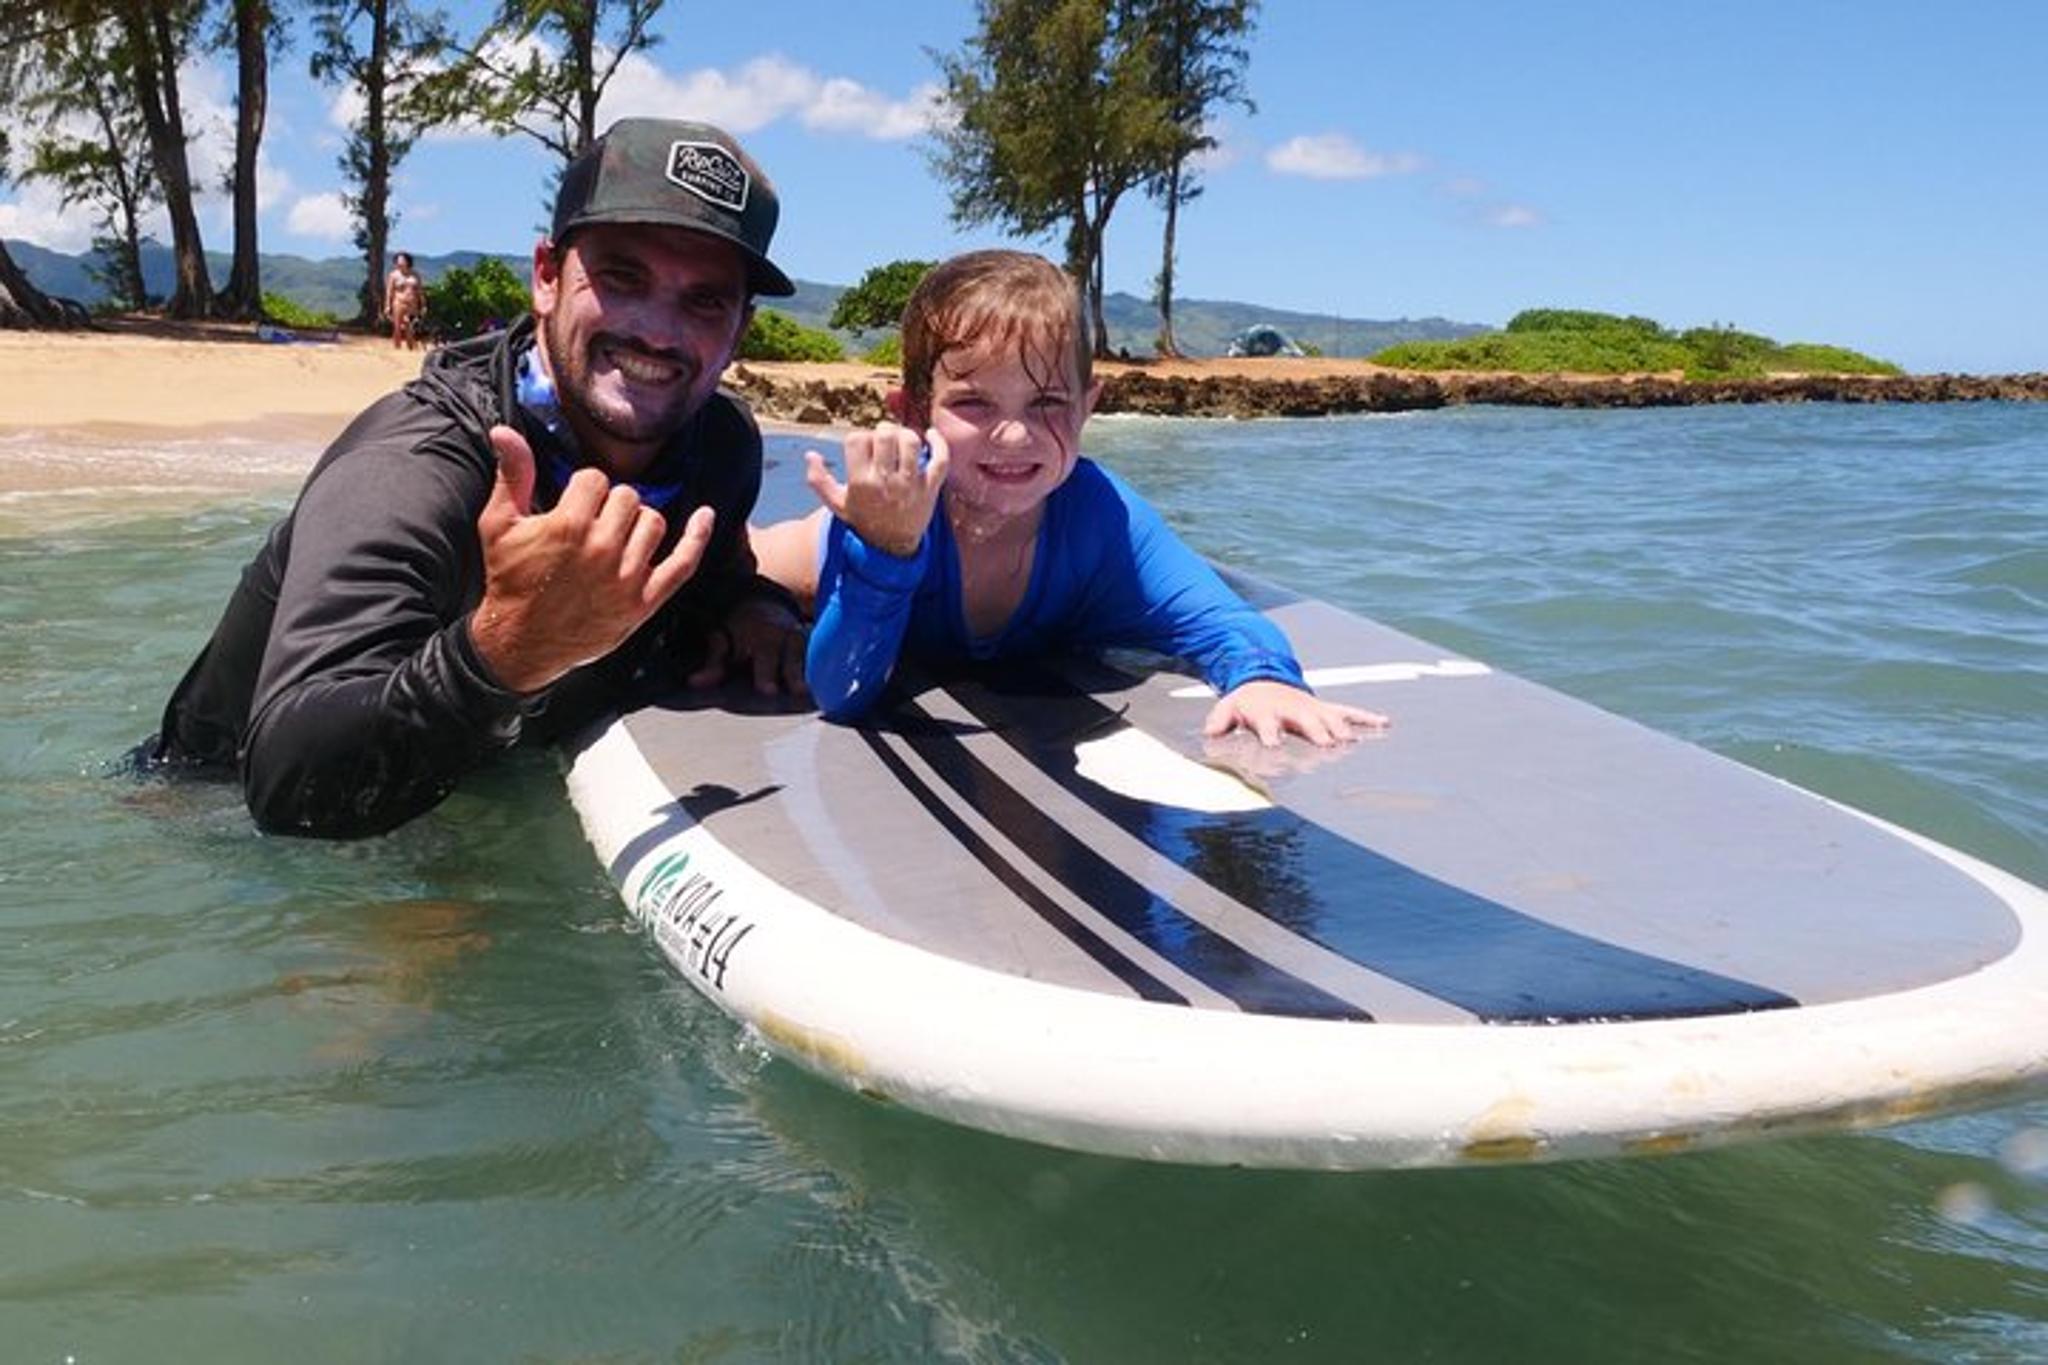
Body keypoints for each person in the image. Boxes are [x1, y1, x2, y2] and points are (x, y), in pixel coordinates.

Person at [150, 118, 808, 837]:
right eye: (622, 278)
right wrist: (507, 651)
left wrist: (754, 607)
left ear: (739, 330)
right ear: (547, 278)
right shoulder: (415, 466)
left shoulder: (719, 448)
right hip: (206, 826)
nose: (657, 331)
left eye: (705, 301)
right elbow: (283, 785)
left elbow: (714, 576)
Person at [753, 249, 1386, 747]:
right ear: (913, 413)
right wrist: (884, 552)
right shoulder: (884, 513)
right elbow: (842, 693)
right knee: (766, 565)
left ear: (1088, 406)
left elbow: (1222, 621)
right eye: (973, 402)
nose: (1013, 435)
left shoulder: (1105, 521)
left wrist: (1264, 678)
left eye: (1047, 402)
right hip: (859, 539)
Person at [384, 252, 425, 349]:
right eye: (398, 260)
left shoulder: (415, 275)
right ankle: (397, 347)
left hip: (412, 303)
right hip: (399, 302)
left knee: (410, 326)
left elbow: (420, 290)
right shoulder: (393, 275)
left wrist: (423, 304)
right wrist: (387, 305)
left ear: (407, 261)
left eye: (402, 260)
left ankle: (410, 348)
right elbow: (389, 291)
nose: (399, 262)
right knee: (397, 326)